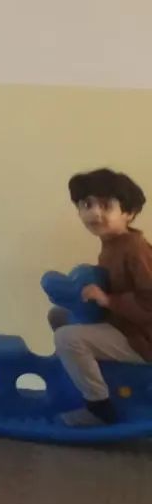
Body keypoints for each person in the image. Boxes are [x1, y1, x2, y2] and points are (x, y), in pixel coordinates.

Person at [49, 168, 152, 427]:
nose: (95, 213)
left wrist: (108, 300)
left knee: (68, 338)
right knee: (59, 316)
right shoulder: (113, 244)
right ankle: (78, 381)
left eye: (106, 206)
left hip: (142, 338)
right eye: (87, 205)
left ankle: (99, 406)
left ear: (129, 213)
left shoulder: (135, 249)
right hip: (124, 325)